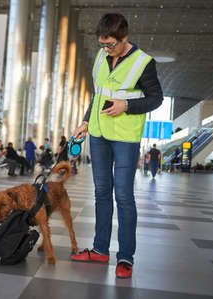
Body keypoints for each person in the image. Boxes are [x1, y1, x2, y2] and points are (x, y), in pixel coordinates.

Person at [71, 13, 163, 279]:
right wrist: (86, 121)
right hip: (99, 133)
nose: (106, 49)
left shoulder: (143, 63)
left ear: (124, 38)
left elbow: (156, 98)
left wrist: (127, 105)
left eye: (110, 44)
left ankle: (125, 257)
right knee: (101, 192)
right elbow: (99, 93)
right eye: (102, 44)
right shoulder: (101, 56)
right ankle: (100, 249)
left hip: (125, 135)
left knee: (123, 196)